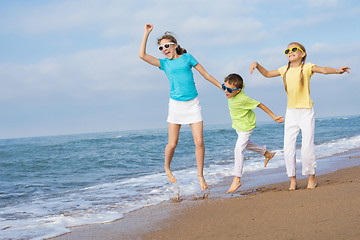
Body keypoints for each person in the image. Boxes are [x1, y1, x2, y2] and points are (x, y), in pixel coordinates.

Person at [250, 42, 350, 190]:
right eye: (287, 50)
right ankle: (292, 180)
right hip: (291, 113)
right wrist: (257, 65)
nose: (290, 52)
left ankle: (311, 178)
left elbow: (323, 70)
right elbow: (267, 74)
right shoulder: (285, 69)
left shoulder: (307, 67)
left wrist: (337, 70)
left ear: (302, 53)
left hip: (306, 111)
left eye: (294, 49)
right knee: (288, 147)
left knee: (307, 146)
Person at [139, 24, 222, 191]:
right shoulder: (163, 63)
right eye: (161, 47)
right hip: (176, 105)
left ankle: (200, 175)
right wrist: (146, 33)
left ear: (174, 45)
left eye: (166, 46)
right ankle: (167, 168)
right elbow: (142, 55)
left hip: (193, 104)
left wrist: (222, 87)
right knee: (173, 143)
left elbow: (206, 75)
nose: (164, 49)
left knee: (199, 141)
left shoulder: (187, 58)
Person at [223, 73, 284, 193]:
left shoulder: (243, 98)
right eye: (223, 87)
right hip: (238, 127)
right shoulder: (231, 90)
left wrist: (274, 117)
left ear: (238, 90)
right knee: (247, 144)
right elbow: (231, 83)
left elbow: (260, 104)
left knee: (238, 149)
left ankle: (237, 179)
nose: (225, 91)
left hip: (246, 126)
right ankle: (266, 153)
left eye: (229, 89)